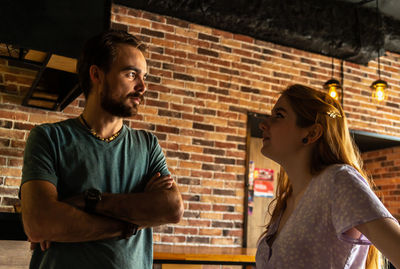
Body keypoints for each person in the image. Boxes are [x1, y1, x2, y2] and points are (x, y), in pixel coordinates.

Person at [20, 29, 184, 269]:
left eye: (144, 77)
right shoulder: (49, 138)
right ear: (97, 74)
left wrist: (87, 202)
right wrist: (127, 226)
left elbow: (171, 209)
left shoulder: (148, 145)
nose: (142, 87)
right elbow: (40, 223)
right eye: (131, 74)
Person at [256, 84, 400, 269]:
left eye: (279, 115)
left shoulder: (338, 180)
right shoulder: (288, 200)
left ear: (312, 133)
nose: (263, 124)